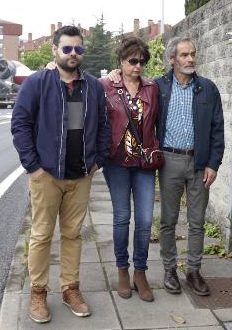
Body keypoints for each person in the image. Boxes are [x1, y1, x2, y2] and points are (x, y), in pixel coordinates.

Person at [108, 36, 224, 297]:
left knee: (197, 221)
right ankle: (170, 270)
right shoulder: (158, 87)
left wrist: (213, 164)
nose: (190, 59)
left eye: (193, 54)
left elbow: (218, 129)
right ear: (172, 59)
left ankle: (193, 271)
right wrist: (118, 71)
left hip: (199, 162)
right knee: (168, 221)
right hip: (169, 160)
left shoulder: (208, 89)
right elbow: (129, 82)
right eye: (184, 55)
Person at [11, 25, 110, 323]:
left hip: (80, 175)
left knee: (72, 235)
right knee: (41, 235)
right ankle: (38, 294)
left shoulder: (92, 86)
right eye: (67, 48)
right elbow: (20, 125)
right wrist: (34, 168)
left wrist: (97, 160)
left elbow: (105, 125)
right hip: (47, 175)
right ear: (55, 50)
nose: (73, 54)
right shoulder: (38, 83)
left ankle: (70, 289)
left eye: (78, 49)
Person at [100, 37, 160, 302]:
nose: (138, 66)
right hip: (117, 163)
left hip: (144, 163)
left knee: (145, 220)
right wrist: (51, 67)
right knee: (122, 217)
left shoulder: (152, 88)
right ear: (121, 62)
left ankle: (141, 271)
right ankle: (122, 269)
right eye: (132, 61)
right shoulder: (106, 86)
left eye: (142, 61)